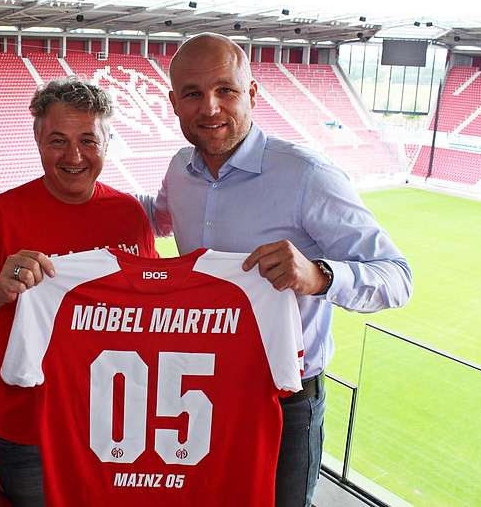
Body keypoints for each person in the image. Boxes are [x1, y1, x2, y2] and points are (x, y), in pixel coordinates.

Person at [140, 33, 413, 507]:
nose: (210, 108)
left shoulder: (307, 175)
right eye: (193, 93)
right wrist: (74, 196)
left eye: (225, 90)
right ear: (174, 103)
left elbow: (397, 277)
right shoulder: (180, 169)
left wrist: (319, 275)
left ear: (251, 93)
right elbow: (156, 215)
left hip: (284, 398)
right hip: (197, 387)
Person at [0, 78, 157, 507]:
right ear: (38, 141)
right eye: (58, 141)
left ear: (107, 143)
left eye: (88, 140)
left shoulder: (129, 214)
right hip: (32, 433)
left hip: (120, 427)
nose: (74, 156)